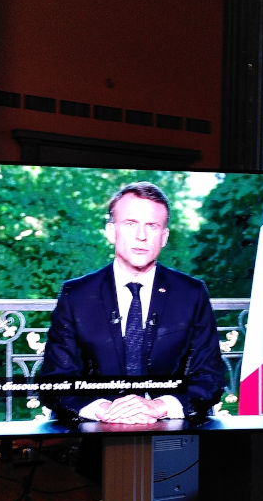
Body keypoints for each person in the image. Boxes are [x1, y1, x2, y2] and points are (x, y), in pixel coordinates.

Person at [40, 181, 224, 425]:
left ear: (164, 237)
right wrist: (103, 409)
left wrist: (159, 406)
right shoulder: (76, 295)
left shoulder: (191, 293)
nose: (141, 236)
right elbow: (55, 380)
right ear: (110, 231)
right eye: (130, 224)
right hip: (95, 430)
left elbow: (210, 377)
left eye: (152, 226)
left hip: (170, 426)